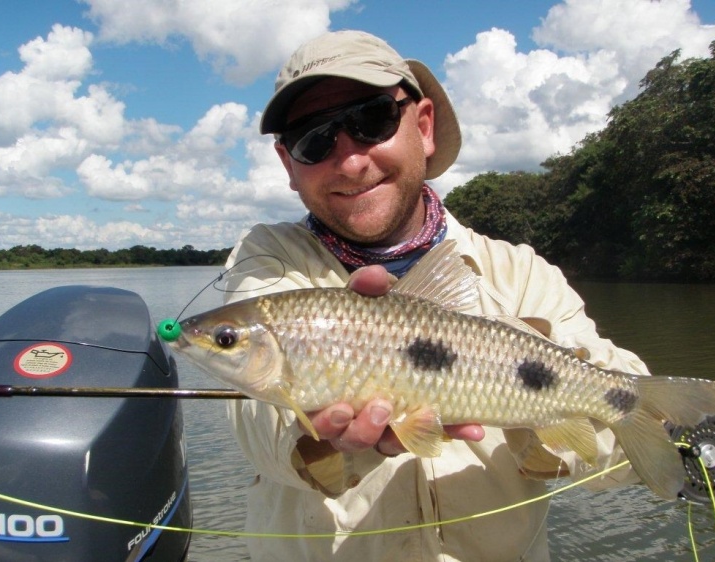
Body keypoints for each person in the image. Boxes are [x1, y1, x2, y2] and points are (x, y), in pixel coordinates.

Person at [222, 30, 649, 561]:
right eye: (314, 140)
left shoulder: (519, 272)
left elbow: (628, 453)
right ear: (290, 166)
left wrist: (515, 396)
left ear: (422, 126)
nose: (352, 161)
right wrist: (324, 443)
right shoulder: (265, 260)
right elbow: (257, 425)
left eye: (371, 119)